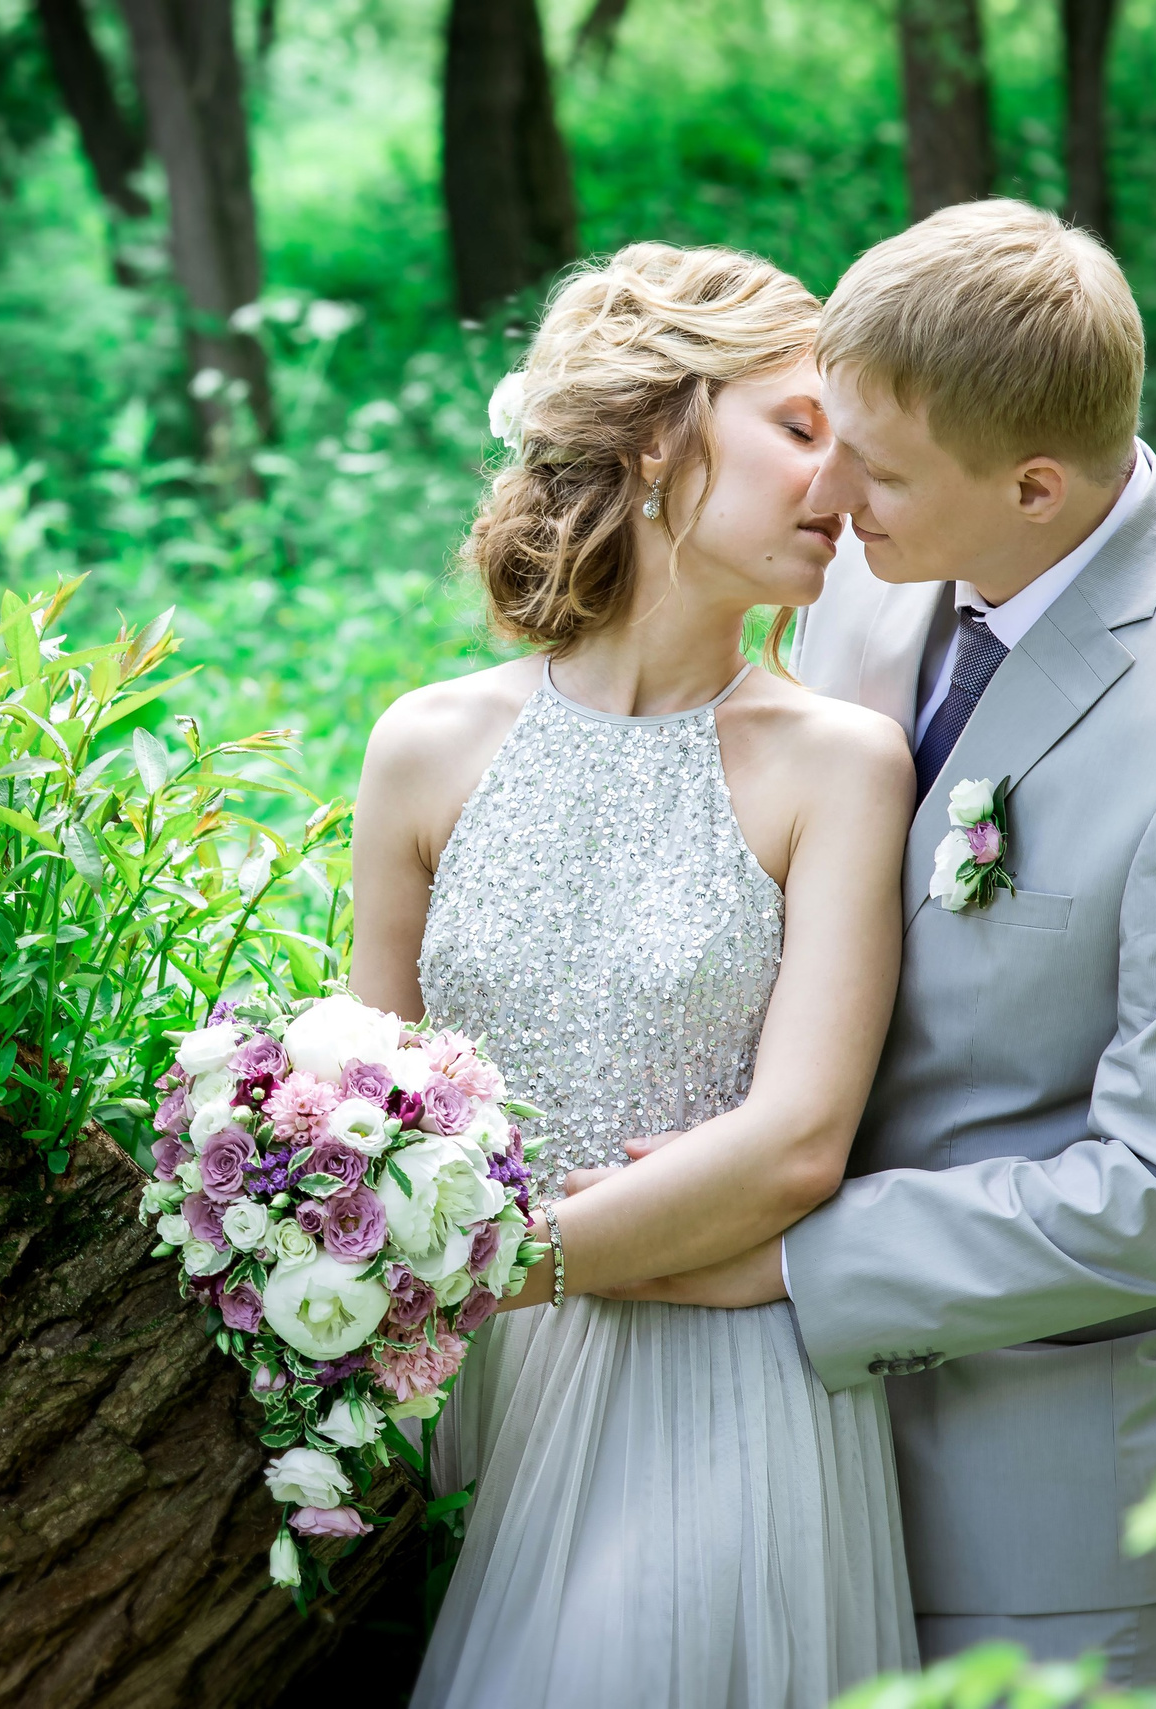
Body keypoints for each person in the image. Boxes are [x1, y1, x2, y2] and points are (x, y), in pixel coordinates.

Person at [599, 200, 1156, 1696]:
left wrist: (786, 1258)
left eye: (871, 467)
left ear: (1033, 484)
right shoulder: (884, 568)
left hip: (1052, 1512)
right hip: (786, 1458)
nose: (826, 494)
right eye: (823, 433)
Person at [349, 243, 920, 1708]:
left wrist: (478, 1270)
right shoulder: (426, 746)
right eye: (801, 428)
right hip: (454, 1397)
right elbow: (364, 1105)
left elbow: (795, 1144)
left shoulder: (841, 765)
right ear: (661, 433)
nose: (840, 488)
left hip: (706, 1400)